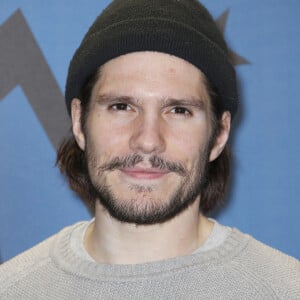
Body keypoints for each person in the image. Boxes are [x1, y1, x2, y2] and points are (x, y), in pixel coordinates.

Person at [0, 0, 299, 299]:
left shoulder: (285, 288)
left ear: (219, 134)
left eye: (179, 110)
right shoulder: (13, 289)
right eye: (121, 106)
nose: (147, 139)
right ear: (79, 122)